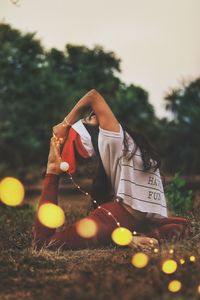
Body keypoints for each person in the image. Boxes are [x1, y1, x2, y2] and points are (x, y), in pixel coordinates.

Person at [32, 89, 191, 251]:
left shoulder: (122, 141)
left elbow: (93, 96)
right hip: (119, 218)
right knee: (44, 244)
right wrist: (53, 167)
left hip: (121, 219)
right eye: (89, 117)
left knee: (183, 227)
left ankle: (127, 237)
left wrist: (65, 123)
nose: (95, 114)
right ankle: (126, 237)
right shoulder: (115, 140)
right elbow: (93, 97)